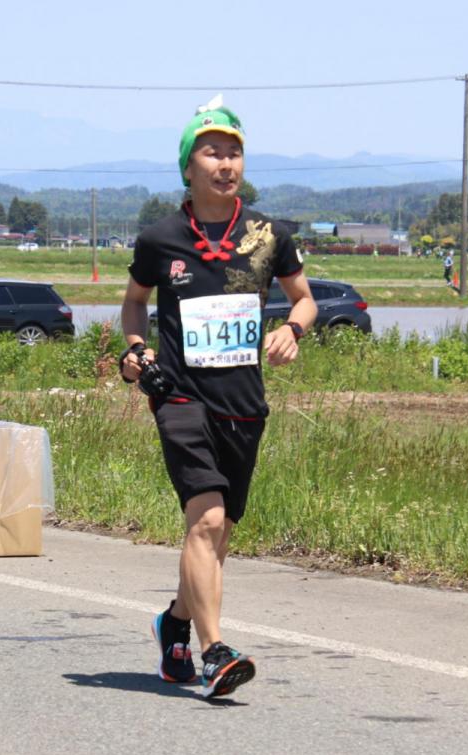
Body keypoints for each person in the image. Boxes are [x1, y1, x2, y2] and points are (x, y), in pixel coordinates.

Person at [120, 97, 316, 700]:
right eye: (212, 152)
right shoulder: (160, 238)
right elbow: (134, 302)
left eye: (234, 152)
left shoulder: (269, 234)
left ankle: (175, 623)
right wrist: (135, 350)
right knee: (203, 520)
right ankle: (214, 652)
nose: (225, 163)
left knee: (217, 534)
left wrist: (292, 329)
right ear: (188, 166)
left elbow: (304, 298)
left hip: (243, 402)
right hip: (179, 396)